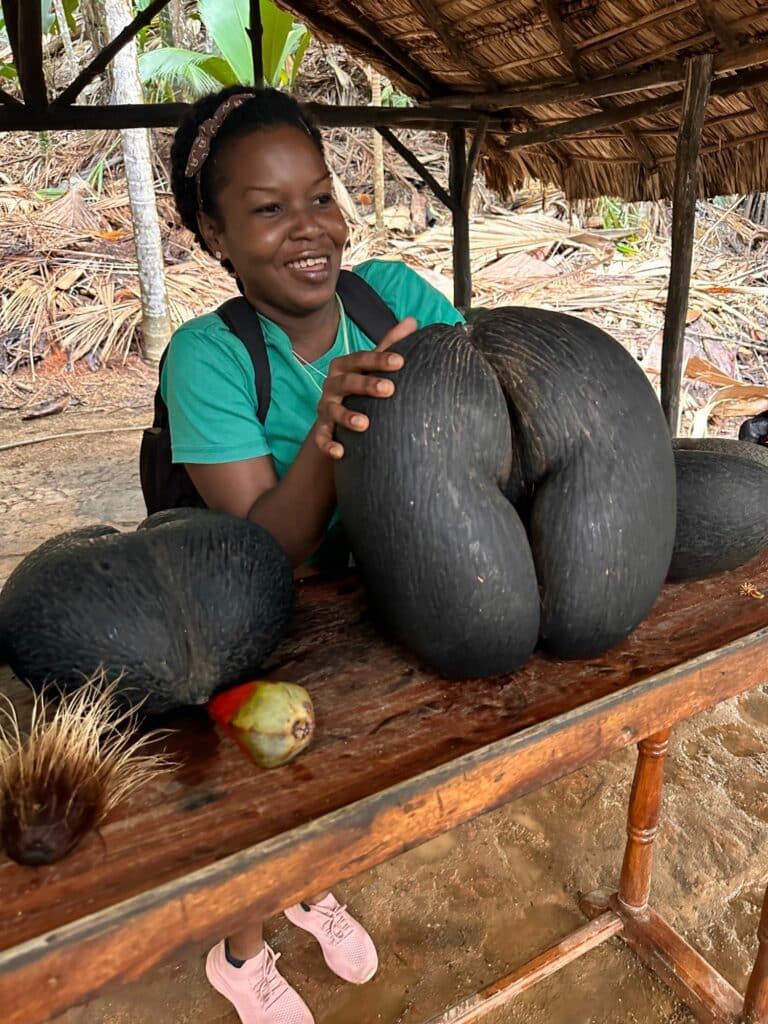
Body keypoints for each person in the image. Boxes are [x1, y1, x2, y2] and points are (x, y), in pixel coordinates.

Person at [167, 84, 463, 1024]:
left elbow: (473, 426)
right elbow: (262, 551)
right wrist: (330, 432)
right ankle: (242, 950)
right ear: (216, 234)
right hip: (263, 616)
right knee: (270, 789)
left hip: (377, 594)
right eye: (268, 209)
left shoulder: (399, 301)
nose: (311, 229)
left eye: (322, 196)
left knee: (352, 786)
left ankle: (315, 886)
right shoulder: (207, 359)